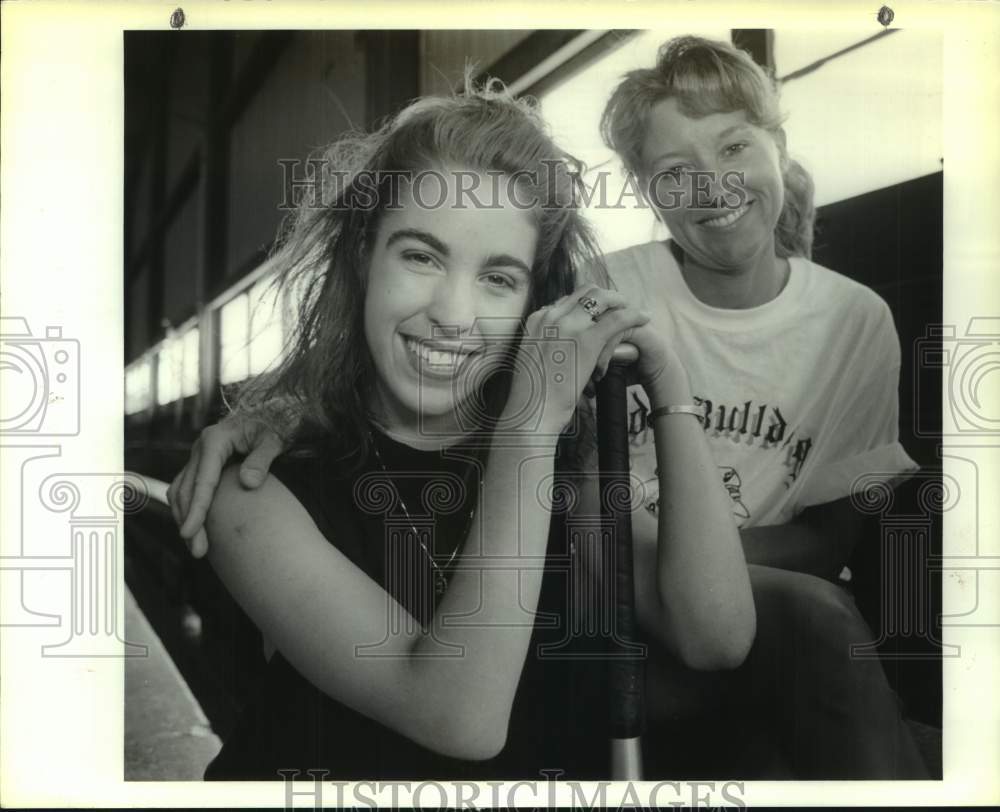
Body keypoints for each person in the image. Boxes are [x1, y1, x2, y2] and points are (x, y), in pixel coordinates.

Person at [170, 37, 929, 778]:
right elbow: (458, 716)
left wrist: (668, 391)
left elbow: (717, 636)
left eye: (499, 278)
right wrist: (530, 423)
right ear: (364, 252)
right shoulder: (256, 489)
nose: (453, 312)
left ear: (534, 301)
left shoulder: (569, 473)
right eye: (421, 255)